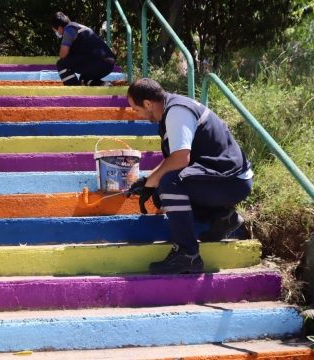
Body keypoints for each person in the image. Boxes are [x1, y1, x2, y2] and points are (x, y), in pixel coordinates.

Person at [126, 78, 253, 275]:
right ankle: (221, 217)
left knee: (169, 182)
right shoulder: (172, 111)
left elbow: (180, 160)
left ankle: (187, 255)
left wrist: (153, 181)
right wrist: (148, 179)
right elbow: (174, 158)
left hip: (231, 180)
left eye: (136, 108)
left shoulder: (177, 112)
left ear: (148, 103)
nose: (137, 114)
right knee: (161, 192)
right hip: (219, 178)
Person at [49, 12, 116, 86]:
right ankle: (104, 85)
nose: (57, 33)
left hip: (98, 62)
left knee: (61, 64)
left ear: (60, 28)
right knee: (84, 80)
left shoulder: (69, 29)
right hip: (108, 64)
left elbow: (63, 55)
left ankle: (74, 92)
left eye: (55, 31)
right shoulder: (79, 27)